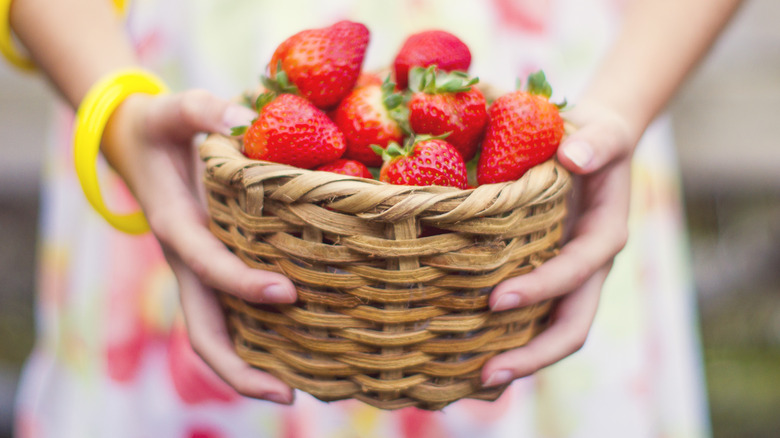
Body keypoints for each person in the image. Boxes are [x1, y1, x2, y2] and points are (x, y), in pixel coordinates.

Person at [6, 0, 742, 436]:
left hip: (570, 124)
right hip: (180, 128)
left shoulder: (531, 125)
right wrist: (120, 115)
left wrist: (615, 111)